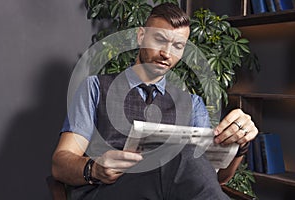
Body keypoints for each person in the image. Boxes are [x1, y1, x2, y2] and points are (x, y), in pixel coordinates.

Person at [52, 3, 258, 200]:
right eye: (160, 39)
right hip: (108, 192)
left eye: (178, 46)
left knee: (186, 156)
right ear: (141, 36)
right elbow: (60, 164)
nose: (166, 54)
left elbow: (212, 178)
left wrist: (239, 146)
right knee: (182, 152)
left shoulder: (193, 103)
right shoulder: (95, 87)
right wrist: (95, 168)